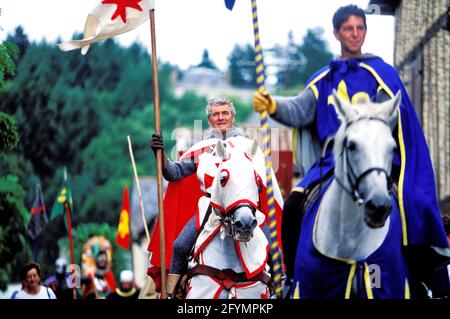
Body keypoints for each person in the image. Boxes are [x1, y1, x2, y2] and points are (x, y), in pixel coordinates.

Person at [253, 4, 450, 295]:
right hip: (335, 161)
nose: (355, 34)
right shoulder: (324, 78)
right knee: (294, 203)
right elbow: (301, 109)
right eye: (348, 28)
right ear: (336, 33)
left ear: (365, 32)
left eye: (360, 28)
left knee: (413, 203)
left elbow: (395, 114)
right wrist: (274, 106)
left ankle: (422, 278)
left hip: (379, 159)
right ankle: (292, 275)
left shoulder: (383, 73)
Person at [148, 97, 283, 297]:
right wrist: (161, 154)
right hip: (210, 210)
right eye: (215, 114)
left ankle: (279, 289)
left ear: (232, 117)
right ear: (209, 119)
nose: (220, 118)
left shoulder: (249, 147)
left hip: (244, 207)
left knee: (274, 250)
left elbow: (263, 180)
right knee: (180, 245)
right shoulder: (203, 150)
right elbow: (173, 173)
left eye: (224, 113)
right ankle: (172, 293)